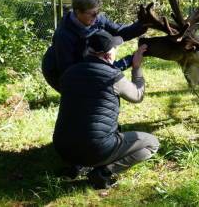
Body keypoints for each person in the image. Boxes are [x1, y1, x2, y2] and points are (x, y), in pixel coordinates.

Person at [53, 30, 159, 189]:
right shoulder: (113, 76)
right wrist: (136, 68)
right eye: (115, 48)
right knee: (152, 143)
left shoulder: (69, 72)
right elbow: (137, 95)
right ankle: (104, 171)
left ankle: (78, 165)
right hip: (96, 148)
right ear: (109, 55)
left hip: (62, 147)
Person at [42, 0, 148, 92]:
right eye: (93, 13)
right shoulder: (64, 35)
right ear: (78, 12)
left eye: (98, 12)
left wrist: (143, 24)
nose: (96, 16)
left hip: (83, 65)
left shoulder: (97, 18)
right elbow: (69, 72)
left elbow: (120, 31)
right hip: (58, 72)